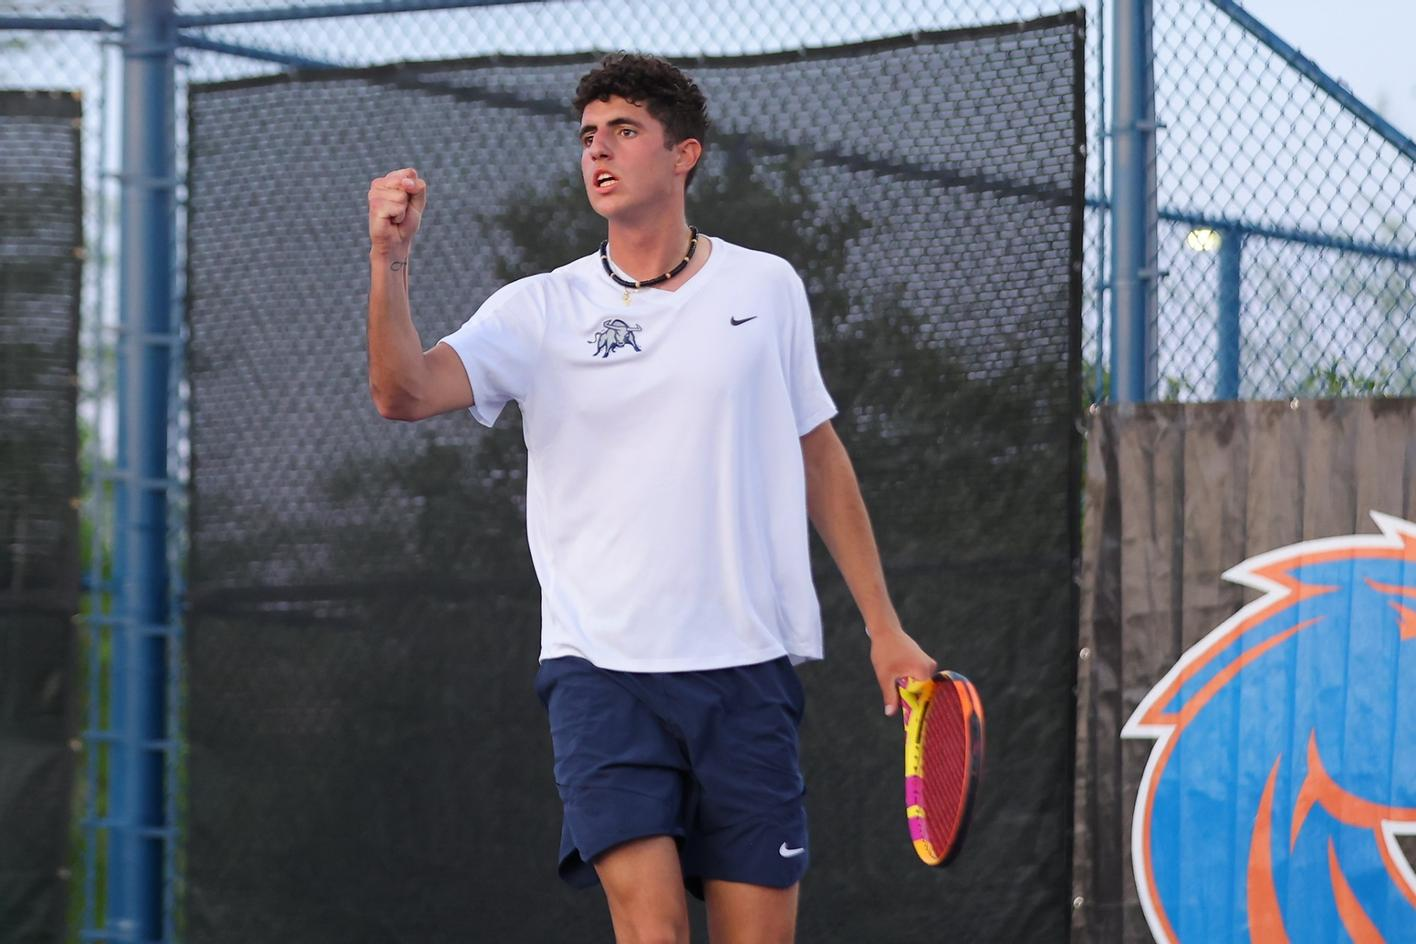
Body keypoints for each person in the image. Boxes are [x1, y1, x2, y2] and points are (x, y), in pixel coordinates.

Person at [366, 52, 936, 944]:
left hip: (747, 671)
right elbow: (402, 392)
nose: (600, 150)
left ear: (684, 155)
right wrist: (389, 261)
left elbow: (818, 457)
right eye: (590, 135)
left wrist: (885, 628)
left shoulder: (765, 288)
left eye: (625, 131)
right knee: (654, 930)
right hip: (600, 674)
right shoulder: (538, 310)